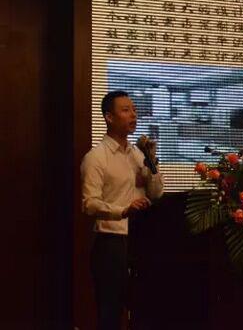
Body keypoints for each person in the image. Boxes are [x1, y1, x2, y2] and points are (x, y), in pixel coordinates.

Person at [81, 90, 164, 330]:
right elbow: (89, 203)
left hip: (141, 241)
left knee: (144, 309)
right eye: (126, 110)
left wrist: (152, 161)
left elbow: (156, 194)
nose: (133, 115)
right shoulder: (96, 158)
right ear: (109, 117)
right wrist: (123, 210)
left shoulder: (138, 154)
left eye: (134, 110)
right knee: (110, 313)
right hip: (111, 241)